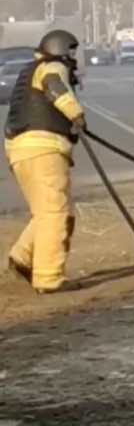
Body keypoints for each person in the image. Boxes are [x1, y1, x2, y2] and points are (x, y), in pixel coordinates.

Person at [4, 30, 86, 294]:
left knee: (45, 211)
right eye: (71, 52)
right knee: (56, 213)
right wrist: (76, 114)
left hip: (19, 150)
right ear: (60, 49)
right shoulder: (51, 67)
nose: (73, 58)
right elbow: (55, 88)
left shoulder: (29, 72)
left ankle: (23, 257)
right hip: (45, 149)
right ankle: (49, 278)